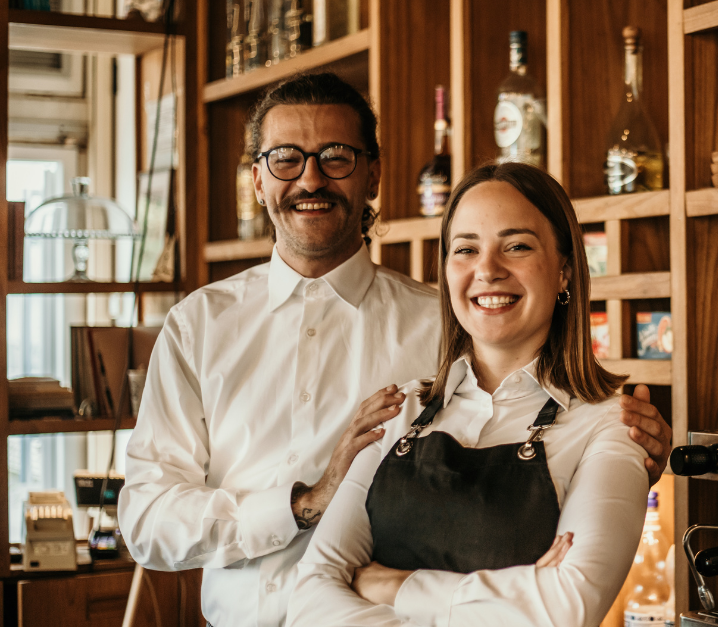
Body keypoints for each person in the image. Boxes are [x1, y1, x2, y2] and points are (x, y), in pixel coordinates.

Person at [118, 73, 673, 627]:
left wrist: (619, 463)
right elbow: (146, 520)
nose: (310, 179)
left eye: (335, 157)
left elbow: (548, 423)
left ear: (374, 174)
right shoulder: (199, 326)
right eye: (285, 159)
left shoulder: (449, 326)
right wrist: (302, 504)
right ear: (258, 180)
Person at [286, 162, 651, 627]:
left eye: (517, 246)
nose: (487, 269)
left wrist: (395, 586)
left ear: (564, 270)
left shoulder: (611, 425)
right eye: (465, 249)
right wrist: (513, 599)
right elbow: (311, 594)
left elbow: (567, 608)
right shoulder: (399, 410)